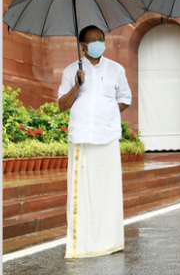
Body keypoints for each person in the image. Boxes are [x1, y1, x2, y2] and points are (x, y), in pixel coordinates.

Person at [58, 25, 132, 259]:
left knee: (108, 192)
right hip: (83, 138)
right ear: (82, 46)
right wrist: (77, 85)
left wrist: (107, 114)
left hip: (108, 137)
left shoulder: (116, 69)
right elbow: (62, 105)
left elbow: (125, 99)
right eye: (93, 40)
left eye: (101, 39)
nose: (98, 43)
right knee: (83, 194)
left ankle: (110, 242)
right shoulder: (71, 70)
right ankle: (82, 246)